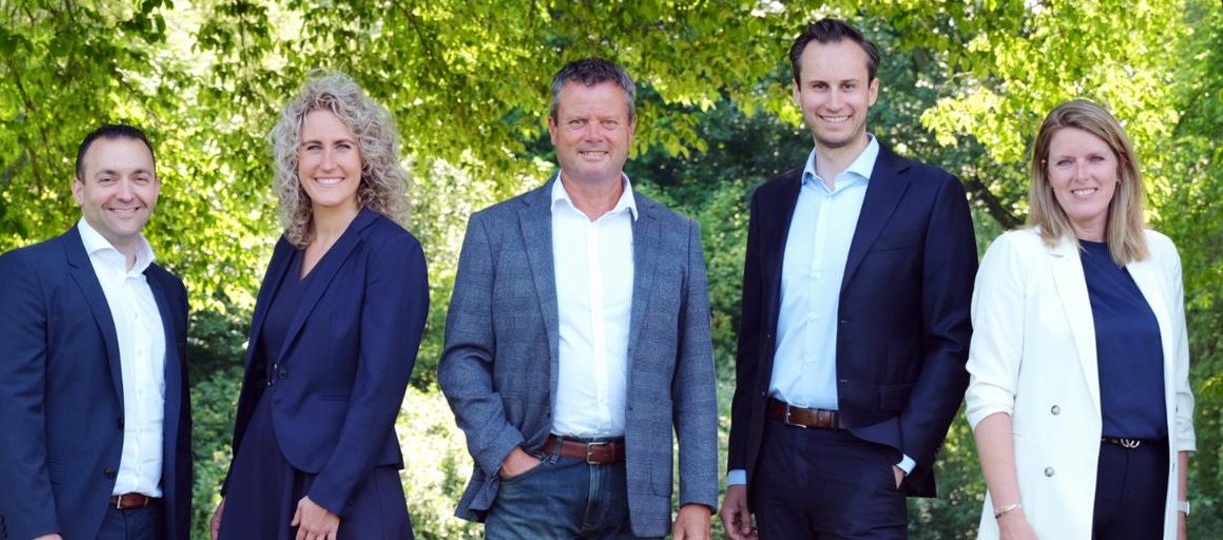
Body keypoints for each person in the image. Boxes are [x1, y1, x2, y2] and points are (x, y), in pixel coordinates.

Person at [438, 57, 719, 540]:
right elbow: (462, 358)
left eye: (608, 121)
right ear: (552, 127)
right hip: (531, 484)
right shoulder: (496, 231)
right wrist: (507, 456)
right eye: (577, 121)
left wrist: (696, 499)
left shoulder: (677, 237)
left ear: (630, 127)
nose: (594, 135)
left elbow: (694, 378)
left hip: (638, 496)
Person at [720, 18, 979, 540]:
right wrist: (741, 469)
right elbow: (754, 344)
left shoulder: (929, 195)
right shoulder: (771, 203)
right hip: (773, 456)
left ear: (872, 91)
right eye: (818, 85)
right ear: (797, 92)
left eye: (847, 85)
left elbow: (954, 339)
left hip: (869, 460)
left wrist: (908, 452)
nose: (833, 100)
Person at [213, 70, 429, 540]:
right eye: (313, 147)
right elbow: (262, 378)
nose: (326, 162)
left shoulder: (393, 253)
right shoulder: (286, 248)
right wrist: (234, 486)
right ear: (295, 159)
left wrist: (331, 495)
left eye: (342, 146)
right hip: (262, 472)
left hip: (341, 483)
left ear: (366, 157)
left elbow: (380, 389)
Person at [964, 100, 1194, 540]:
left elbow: (1178, 399)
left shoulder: (1160, 255)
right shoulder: (1016, 255)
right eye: (1065, 162)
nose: (1081, 175)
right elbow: (989, 395)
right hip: (1055, 489)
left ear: (1120, 166)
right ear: (1046, 173)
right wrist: (1009, 514)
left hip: (1150, 486)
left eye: (1095, 159)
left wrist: (1178, 512)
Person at [0, 124, 194, 540]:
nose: (126, 192)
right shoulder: (28, 274)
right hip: (64, 524)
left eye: (140, 177)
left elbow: (175, 425)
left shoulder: (169, 291)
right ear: (79, 189)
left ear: (156, 187)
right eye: (108, 178)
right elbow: (14, 420)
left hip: (155, 522)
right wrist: (38, 530)